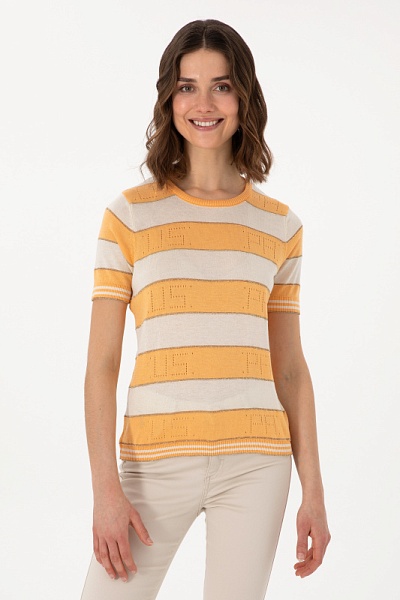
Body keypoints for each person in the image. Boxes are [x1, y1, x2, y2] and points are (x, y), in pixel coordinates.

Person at [80, 18, 331, 600]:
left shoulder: (281, 227)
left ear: (244, 98)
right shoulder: (129, 216)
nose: (204, 104)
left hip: (256, 463)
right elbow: (101, 365)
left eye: (221, 86)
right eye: (187, 87)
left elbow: (290, 369)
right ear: (168, 99)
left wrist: (313, 491)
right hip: (151, 465)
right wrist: (105, 490)